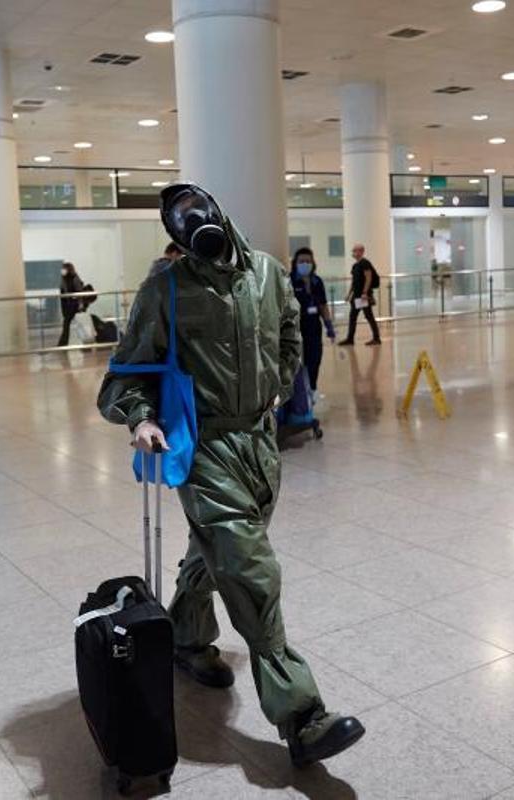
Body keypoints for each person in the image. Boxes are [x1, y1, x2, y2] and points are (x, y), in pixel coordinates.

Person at [97, 183, 364, 767]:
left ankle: (186, 639)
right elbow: (122, 379)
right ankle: (302, 717)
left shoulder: (268, 275)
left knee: (212, 553)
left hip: (260, 443)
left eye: (199, 210)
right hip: (206, 445)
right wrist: (141, 418)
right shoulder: (165, 289)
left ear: (220, 210)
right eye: (180, 221)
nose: (194, 224)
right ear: (175, 237)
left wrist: (271, 395)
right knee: (251, 568)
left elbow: (291, 337)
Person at [289, 247, 335, 395]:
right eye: (301, 261)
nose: (305, 264)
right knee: (296, 363)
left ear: (313, 263)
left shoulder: (317, 281)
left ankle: (312, 389)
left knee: (314, 360)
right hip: (295, 329)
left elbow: (322, 305)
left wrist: (329, 326)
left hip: (314, 328)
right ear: (295, 263)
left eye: (308, 261)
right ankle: (298, 395)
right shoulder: (289, 281)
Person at [338, 243, 380, 346]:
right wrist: (349, 294)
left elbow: (368, 278)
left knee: (368, 316)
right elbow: (354, 281)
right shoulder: (355, 266)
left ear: (361, 251)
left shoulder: (365, 263)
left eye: (355, 251)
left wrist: (365, 292)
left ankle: (376, 338)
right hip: (356, 296)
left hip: (363, 296)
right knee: (353, 317)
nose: (354, 253)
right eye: (353, 251)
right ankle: (350, 339)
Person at [57, 261, 84, 347]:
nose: (62, 270)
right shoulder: (63, 279)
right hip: (65, 305)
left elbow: (79, 291)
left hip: (72, 305)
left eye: (64, 269)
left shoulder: (74, 278)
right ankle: (63, 343)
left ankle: (63, 343)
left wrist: (80, 303)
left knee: (66, 323)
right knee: (66, 323)